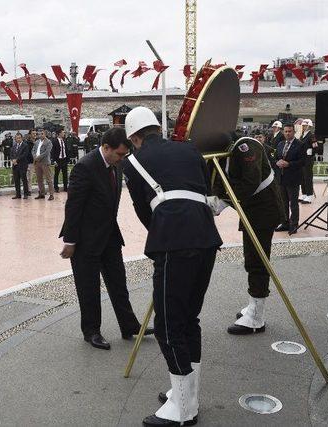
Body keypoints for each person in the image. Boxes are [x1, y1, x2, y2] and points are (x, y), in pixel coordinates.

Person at [122, 107, 221, 427]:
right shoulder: (189, 149)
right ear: (156, 128)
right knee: (189, 319)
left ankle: (184, 410)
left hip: (174, 243)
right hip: (206, 238)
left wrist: (163, 230)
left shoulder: (133, 161)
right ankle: (186, 393)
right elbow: (205, 191)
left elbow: (143, 210)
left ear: (134, 138)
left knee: (167, 325)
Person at [59, 127, 152, 351]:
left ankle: (128, 324)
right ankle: (91, 331)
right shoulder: (85, 167)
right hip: (85, 240)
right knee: (89, 288)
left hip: (109, 235)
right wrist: (70, 241)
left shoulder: (116, 165)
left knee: (119, 283)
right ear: (106, 147)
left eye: (124, 155)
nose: (122, 159)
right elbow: (73, 207)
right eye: (119, 154)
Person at [213, 136, 285, 335]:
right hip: (251, 211)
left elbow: (249, 182)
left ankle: (256, 317)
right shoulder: (221, 154)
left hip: (264, 210)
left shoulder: (246, 146)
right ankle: (254, 304)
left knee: (257, 261)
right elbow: (219, 184)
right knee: (251, 258)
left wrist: (217, 205)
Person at [275, 124, 305, 235]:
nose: (288, 133)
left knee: (293, 203)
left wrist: (289, 164)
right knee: (283, 203)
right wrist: (277, 162)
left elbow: (303, 162)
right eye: (286, 131)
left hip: (293, 178)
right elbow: (276, 157)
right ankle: (285, 223)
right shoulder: (280, 144)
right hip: (281, 178)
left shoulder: (300, 145)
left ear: (294, 132)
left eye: (290, 131)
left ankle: (294, 224)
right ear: (283, 132)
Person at [32, 129, 54, 200]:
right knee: (39, 179)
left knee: (48, 179)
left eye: (42, 134)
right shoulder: (37, 142)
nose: (40, 135)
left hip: (44, 162)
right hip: (37, 162)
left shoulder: (49, 142)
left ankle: (51, 194)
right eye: (39, 134)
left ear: (45, 134)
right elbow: (33, 150)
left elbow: (47, 152)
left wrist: (38, 157)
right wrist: (34, 156)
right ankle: (42, 193)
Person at [299, 119, 315, 204]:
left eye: (305, 125)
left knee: (308, 177)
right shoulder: (302, 136)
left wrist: (311, 152)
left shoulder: (311, 136)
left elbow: (316, 147)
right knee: (302, 177)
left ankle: (309, 195)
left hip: (308, 159)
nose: (303, 127)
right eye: (303, 125)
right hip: (302, 159)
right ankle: (304, 193)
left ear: (309, 126)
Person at [10, 132, 30, 199]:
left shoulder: (25, 145)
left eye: (19, 138)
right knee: (16, 180)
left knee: (24, 180)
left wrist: (16, 160)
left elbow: (24, 155)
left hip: (22, 165)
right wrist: (13, 160)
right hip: (15, 166)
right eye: (17, 138)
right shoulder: (14, 146)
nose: (18, 139)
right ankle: (18, 194)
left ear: (22, 138)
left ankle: (25, 194)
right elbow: (11, 154)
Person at [52, 129, 70, 193]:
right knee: (56, 174)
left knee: (65, 174)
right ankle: (56, 187)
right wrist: (54, 160)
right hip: (58, 160)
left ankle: (65, 187)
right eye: (63, 133)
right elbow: (53, 152)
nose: (64, 134)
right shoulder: (55, 141)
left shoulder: (64, 141)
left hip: (64, 159)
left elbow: (66, 150)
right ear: (59, 133)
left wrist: (68, 159)